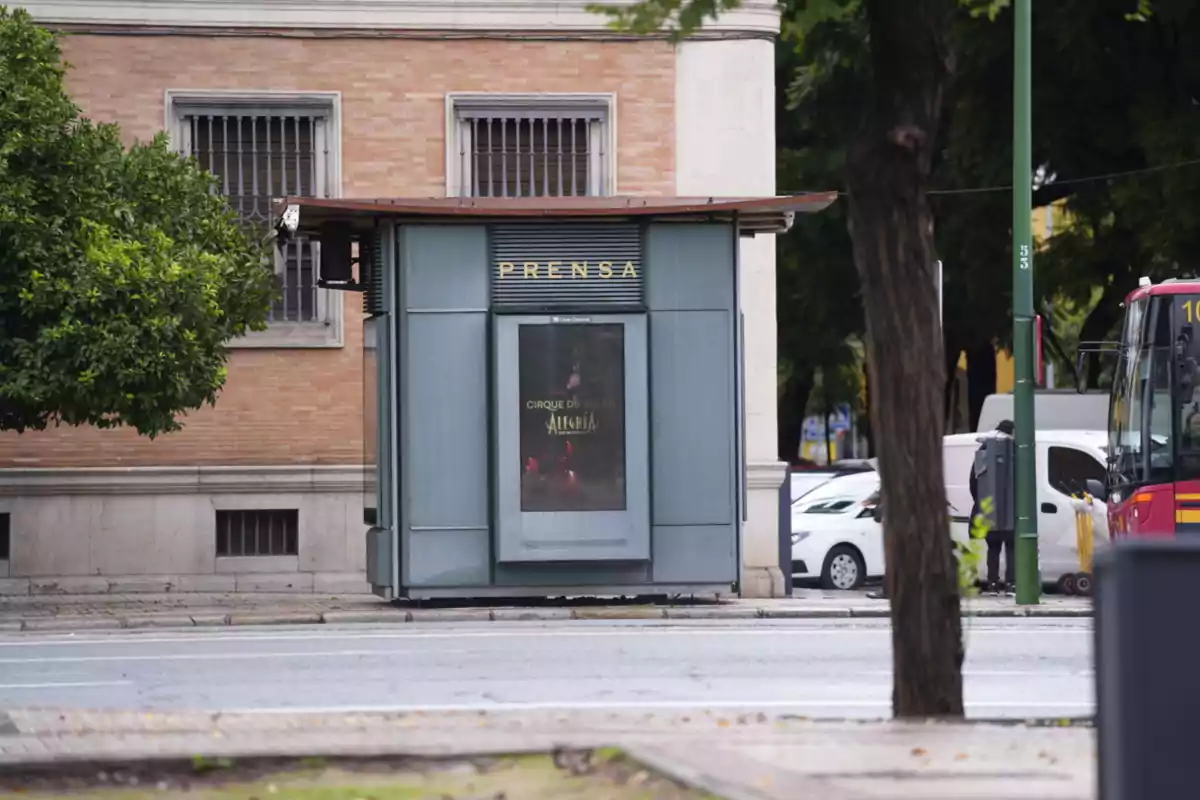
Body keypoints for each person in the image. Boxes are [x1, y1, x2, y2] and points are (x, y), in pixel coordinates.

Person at [970, 419, 1016, 596]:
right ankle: (1011, 582)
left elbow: (973, 483)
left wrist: (983, 502)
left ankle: (993, 582)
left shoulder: (981, 454)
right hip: (1010, 510)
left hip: (988, 510)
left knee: (993, 548)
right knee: (1011, 547)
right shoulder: (1013, 451)